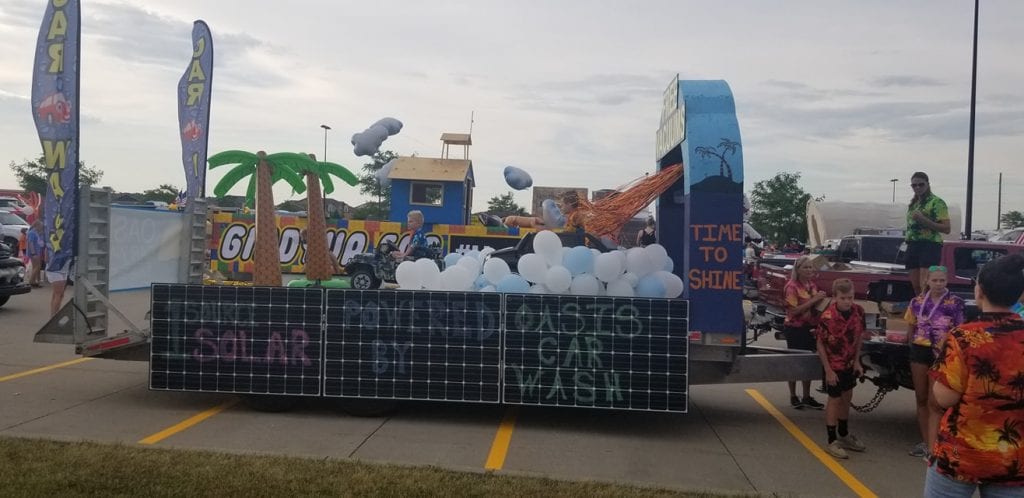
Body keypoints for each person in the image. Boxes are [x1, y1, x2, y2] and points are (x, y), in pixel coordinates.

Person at [926, 253, 1024, 496]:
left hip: (961, 455)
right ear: (1019, 295)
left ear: (979, 292)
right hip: (1014, 462)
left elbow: (944, 398)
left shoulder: (964, 337)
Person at [903, 265, 964, 459]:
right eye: (935, 280)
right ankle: (925, 440)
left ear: (947, 282)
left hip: (942, 352)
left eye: (942, 280)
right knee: (920, 397)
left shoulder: (955, 302)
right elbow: (911, 326)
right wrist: (911, 345)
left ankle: (935, 444)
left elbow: (960, 329)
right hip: (920, 351)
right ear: (927, 281)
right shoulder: (917, 301)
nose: (938, 284)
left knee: (934, 401)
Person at [814, 278, 867, 459]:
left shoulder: (858, 312)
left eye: (850, 297)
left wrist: (858, 361)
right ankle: (831, 439)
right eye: (843, 298)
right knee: (834, 400)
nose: (847, 301)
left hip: (849, 364)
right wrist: (828, 370)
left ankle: (844, 434)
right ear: (835, 297)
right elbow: (820, 344)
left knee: (847, 397)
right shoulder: (827, 317)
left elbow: (859, 337)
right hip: (833, 365)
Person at [782, 255, 826, 410]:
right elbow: (793, 311)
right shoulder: (792, 287)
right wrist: (814, 301)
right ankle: (793, 395)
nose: (809, 270)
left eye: (810, 267)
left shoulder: (812, 285)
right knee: (795, 361)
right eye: (805, 267)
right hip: (795, 328)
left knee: (808, 362)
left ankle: (807, 396)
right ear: (798, 269)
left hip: (810, 327)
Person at [905, 172, 951, 296]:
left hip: (929, 245)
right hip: (913, 244)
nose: (918, 188)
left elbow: (947, 228)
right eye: (914, 185)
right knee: (915, 286)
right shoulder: (914, 204)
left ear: (928, 184)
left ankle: (927, 311)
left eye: (921, 184)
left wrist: (923, 220)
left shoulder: (937, 202)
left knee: (925, 284)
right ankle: (919, 309)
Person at [26, 220, 45, 287]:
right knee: (37, 266)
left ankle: (34, 280)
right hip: (34, 252)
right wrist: (33, 253)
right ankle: (31, 281)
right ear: (37, 226)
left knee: (36, 266)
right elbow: (31, 243)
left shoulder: (36, 232)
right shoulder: (32, 233)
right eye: (40, 226)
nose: (41, 227)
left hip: (37, 251)